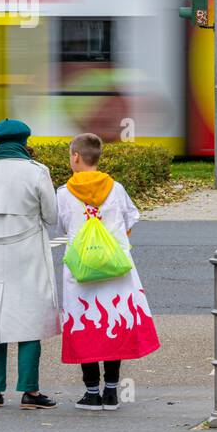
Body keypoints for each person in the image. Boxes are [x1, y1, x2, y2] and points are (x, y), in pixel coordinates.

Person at [57, 133, 161, 411]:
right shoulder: (116, 188)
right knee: (113, 323)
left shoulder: (64, 193)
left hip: (81, 272)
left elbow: (62, 226)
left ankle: (91, 393)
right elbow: (131, 220)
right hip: (116, 269)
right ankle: (112, 392)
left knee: (86, 325)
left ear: (76, 157)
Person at [0, 119, 60, 410]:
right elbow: (51, 215)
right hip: (28, 252)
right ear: (24, 140)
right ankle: (30, 392)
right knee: (29, 320)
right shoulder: (36, 172)